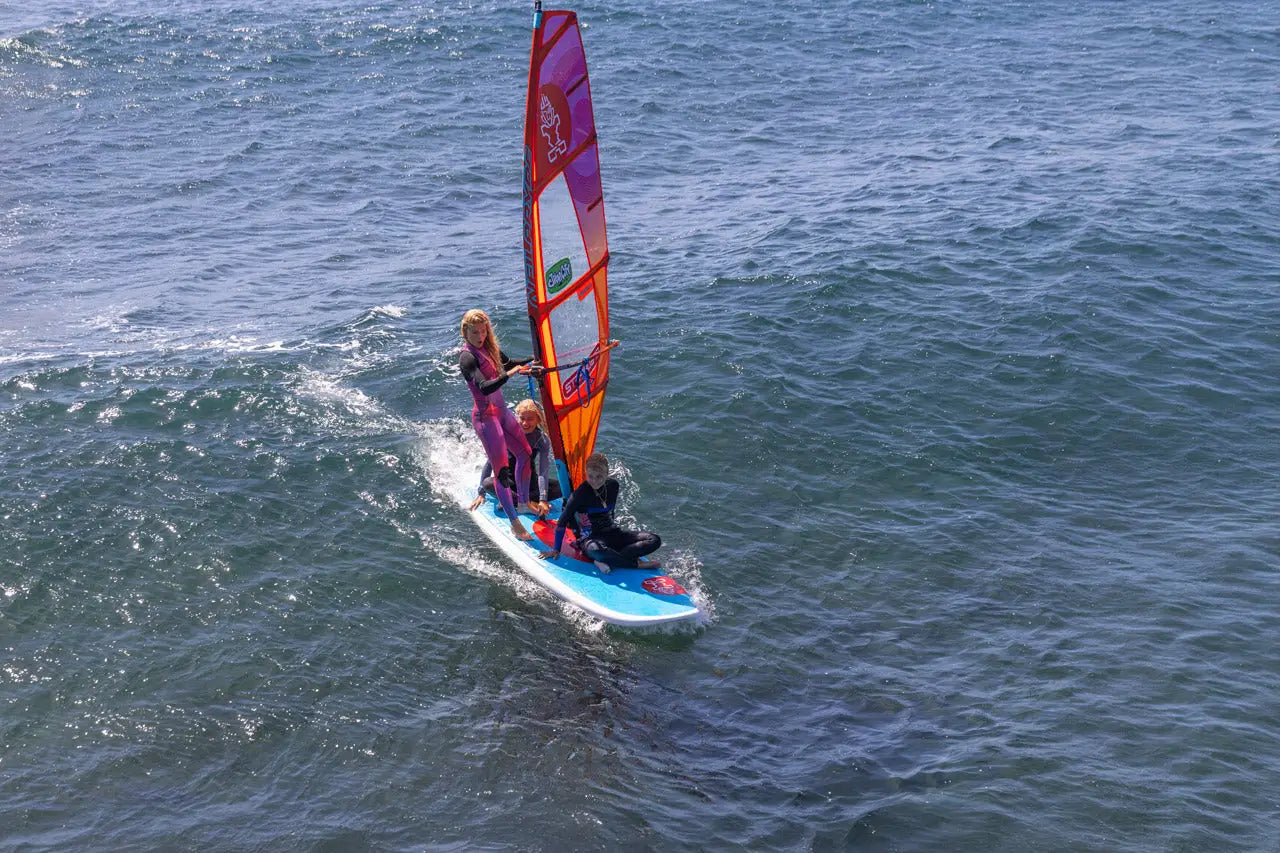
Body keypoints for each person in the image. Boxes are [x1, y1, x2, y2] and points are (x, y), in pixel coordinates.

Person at [459, 309, 537, 540]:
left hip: (502, 412)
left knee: (525, 453)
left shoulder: (488, 348)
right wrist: (510, 374)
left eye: (483, 331)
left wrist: (534, 360)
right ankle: (515, 524)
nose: (480, 336)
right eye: (475, 332)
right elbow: (484, 387)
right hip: (486, 418)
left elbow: (510, 363)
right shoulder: (467, 358)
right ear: (465, 332)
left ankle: (523, 503)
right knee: (502, 471)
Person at [539, 452, 661, 573]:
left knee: (654, 540)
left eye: (599, 476)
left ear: (607, 474)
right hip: (590, 539)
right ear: (585, 474)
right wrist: (556, 550)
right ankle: (635, 564)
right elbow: (561, 523)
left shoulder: (613, 486)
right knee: (595, 550)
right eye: (590, 476)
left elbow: (610, 514)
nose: (594, 481)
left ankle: (606, 559)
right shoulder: (579, 495)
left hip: (613, 534)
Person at [469, 398, 561, 517]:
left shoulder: (541, 439)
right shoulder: (505, 433)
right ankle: (524, 502)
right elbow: (490, 462)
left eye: (530, 419)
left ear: (538, 419)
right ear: (517, 417)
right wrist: (481, 493)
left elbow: (543, 471)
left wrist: (543, 499)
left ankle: (516, 501)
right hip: (508, 484)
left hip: (529, 484)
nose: (525, 423)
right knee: (487, 483)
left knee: (565, 486)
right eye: (522, 418)